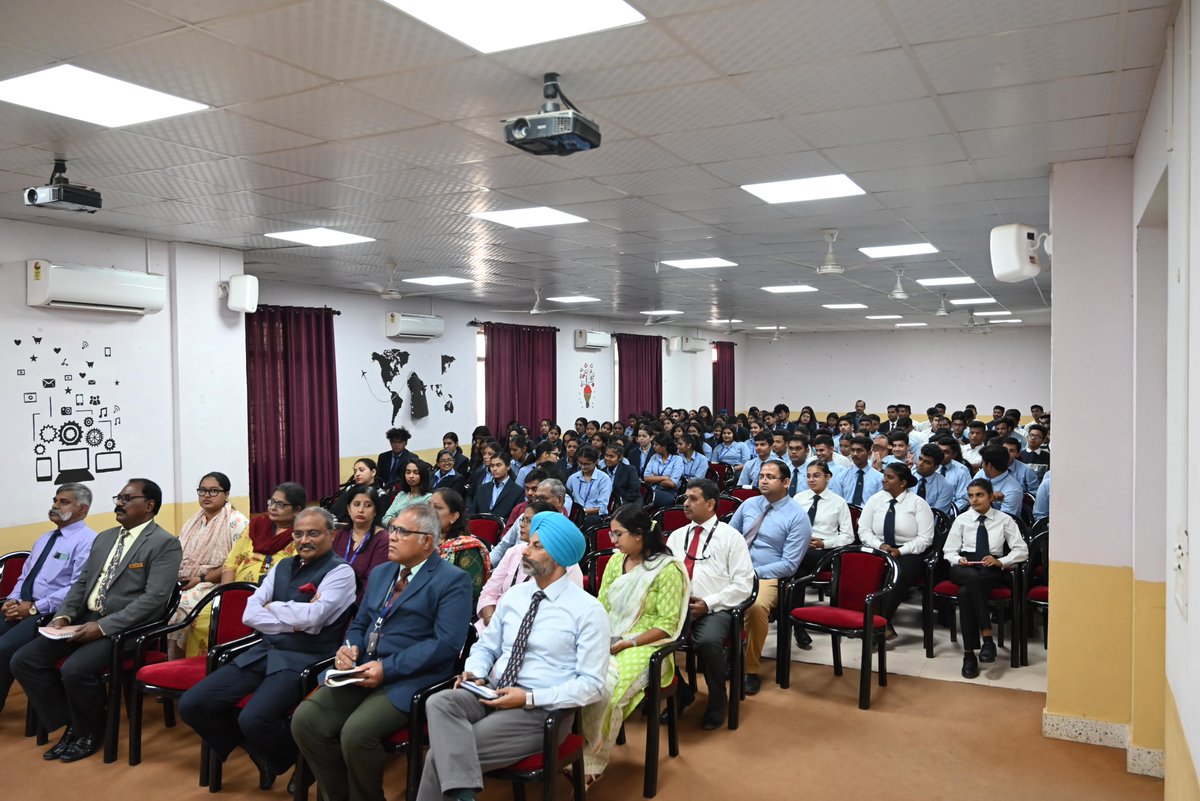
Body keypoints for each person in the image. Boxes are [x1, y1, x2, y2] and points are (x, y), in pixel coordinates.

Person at [415, 512, 609, 801]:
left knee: (438, 758)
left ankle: (461, 793)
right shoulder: (515, 596)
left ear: (557, 556)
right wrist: (475, 670)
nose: (525, 551)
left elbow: (592, 685)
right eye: (529, 543)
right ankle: (461, 790)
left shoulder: (587, 611)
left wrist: (528, 698)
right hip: (490, 691)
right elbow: (486, 646)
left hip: (540, 708)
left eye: (537, 546)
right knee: (439, 701)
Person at [291, 505, 473, 801]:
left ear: (427, 540)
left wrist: (388, 669)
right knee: (306, 720)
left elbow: (446, 645)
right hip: (362, 668)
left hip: (411, 676)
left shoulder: (452, 580)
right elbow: (360, 622)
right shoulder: (381, 573)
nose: (392, 537)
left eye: (402, 531)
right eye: (392, 529)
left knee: (357, 733)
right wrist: (350, 648)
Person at [179, 507, 355, 789]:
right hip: (264, 650)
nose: (304, 540)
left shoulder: (341, 572)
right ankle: (267, 755)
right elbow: (250, 614)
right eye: (298, 533)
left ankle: (303, 759)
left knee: (255, 718)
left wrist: (274, 610)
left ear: (331, 534)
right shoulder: (283, 566)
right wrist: (292, 617)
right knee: (193, 704)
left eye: (313, 533)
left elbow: (315, 619)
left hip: (304, 658)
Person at [12, 478, 182, 762]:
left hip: (124, 629)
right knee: (24, 660)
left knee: (75, 670)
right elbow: (81, 584)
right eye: (119, 497)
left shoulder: (164, 544)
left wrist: (103, 627)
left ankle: (89, 732)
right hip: (83, 619)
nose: (119, 502)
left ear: (149, 506)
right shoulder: (104, 538)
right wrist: (64, 616)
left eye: (128, 498)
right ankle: (74, 724)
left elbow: (154, 601)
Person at [582, 505, 688, 784]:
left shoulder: (667, 569)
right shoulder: (617, 562)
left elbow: (666, 625)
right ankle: (568, 749)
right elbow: (602, 607)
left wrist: (627, 642)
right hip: (611, 637)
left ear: (639, 534)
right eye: (611, 533)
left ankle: (591, 762)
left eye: (618, 534)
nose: (612, 540)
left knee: (606, 687)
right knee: (576, 676)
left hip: (649, 647)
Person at [665, 479, 753, 729]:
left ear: (711, 504)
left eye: (693, 499)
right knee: (652, 639)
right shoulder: (676, 536)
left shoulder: (731, 537)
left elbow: (743, 585)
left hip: (718, 609)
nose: (686, 503)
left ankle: (717, 700)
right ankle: (681, 692)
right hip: (678, 607)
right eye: (685, 498)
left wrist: (708, 603)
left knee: (707, 641)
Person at [0, 483, 96, 713]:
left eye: (63, 502)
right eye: (55, 500)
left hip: (51, 613)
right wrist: (12, 600)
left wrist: (34, 607)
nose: (55, 506)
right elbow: (25, 576)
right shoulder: (45, 538)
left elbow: (76, 588)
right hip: (22, 606)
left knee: (4, 648)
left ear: (82, 510)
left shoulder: (88, 541)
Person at [186, 483, 303, 657]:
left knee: (245, 626)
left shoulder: (301, 534)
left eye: (281, 505)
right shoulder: (256, 526)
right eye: (271, 502)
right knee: (202, 620)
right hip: (236, 592)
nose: (273, 507)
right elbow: (231, 563)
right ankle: (203, 669)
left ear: (296, 510)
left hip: (270, 598)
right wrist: (226, 595)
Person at [727, 461, 810, 694]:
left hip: (767, 575)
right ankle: (722, 655)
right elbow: (730, 538)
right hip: (735, 570)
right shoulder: (748, 505)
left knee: (756, 607)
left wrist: (753, 573)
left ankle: (749, 669)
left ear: (786, 482)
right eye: (761, 476)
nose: (763, 480)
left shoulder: (797, 516)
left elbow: (790, 565)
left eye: (770, 477)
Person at [942, 479, 1028, 678]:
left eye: (979, 495)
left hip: (990, 566)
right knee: (971, 579)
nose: (974, 500)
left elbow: (1022, 550)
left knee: (966, 592)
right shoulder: (962, 519)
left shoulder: (1004, 519)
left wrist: (1002, 561)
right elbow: (949, 550)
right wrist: (958, 559)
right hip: (964, 566)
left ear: (991, 496)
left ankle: (969, 654)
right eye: (971, 496)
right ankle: (987, 639)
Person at [168, 472, 250, 657]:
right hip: (188, 580)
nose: (206, 495)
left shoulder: (237, 521)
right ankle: (166, 658)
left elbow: (237, 562)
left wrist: (201, 578)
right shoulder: (194, 520)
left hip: (215, 583)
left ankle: (179, 660)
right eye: (203, 491)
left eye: (213, 491)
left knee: (179, 608)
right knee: (163, 601)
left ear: (226, 494)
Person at [476, 502, 584, 633]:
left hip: (538, 633)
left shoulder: (566, 563)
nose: (521, 524)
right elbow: (489, 593)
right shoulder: (514, 552)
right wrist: (491, 621)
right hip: (493, 626)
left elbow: (566, 613)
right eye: (523, 519)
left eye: (529, 521)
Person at [857, 464, 935, 639]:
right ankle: (873, 623)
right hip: (879, 548)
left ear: (903, 482)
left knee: (898, 573)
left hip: (908, 552)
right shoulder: (875, 500)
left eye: (890, 477)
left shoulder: (918, 504)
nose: (884, 480)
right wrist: (879, 545)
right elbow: (863, 530)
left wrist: (901, 551)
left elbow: (926, 538)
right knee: (860, 568)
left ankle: (879, 623)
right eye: (884, 476)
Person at [332, 485, 392, 603]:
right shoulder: (340, 535)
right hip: (332, 595)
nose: (360, 510)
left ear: (375, 511)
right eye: (356, 504)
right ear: (349, 509)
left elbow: (375, 583)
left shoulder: (383, 540)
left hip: (361, 601)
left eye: (368, 505)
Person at [432, 489, 492, 603]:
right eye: (428, 505)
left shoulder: (468, 548)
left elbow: (470, 591)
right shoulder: (421, 541)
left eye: (437, 508)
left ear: (454, 516)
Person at [566, 445, 612, 528]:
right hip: (575, 513)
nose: (583, 466)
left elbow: (602, 507)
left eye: (587, 464)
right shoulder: (573, 478)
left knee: (586, 521)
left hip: (594, 515)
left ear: (596, 462)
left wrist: (583, 511)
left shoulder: (604, 479)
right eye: (580, 463)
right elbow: (566, 496)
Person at [831, 435, 883, 506]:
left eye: (859, 450)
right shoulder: (841, 477)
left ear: (869, 453)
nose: (855, 454)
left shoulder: (879, 478)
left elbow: (879, 504)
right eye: (852, 450)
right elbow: (837, 504)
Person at [467, 455, 522, 521]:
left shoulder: (518, 491)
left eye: (498, 465)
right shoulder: (482, 488)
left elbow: (516, 519)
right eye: (492, 466)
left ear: (508, 466)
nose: (494, 469)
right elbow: (472, 512)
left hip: (504, 529)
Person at [328, 459, 380, 524]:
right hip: (337, 525)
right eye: (355, 471)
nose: (357, 474)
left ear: (373, 472)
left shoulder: (380, 494)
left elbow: (377, 522)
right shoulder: (350, 488)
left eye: (361, 470)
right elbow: (335, 510)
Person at [382, 460, 434, 526]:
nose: (411, 476)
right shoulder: (401, 495)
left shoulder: (429, 497)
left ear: (423, 475)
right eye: (408, 472)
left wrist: (396, 520)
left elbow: (420, 523)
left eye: (416, 473)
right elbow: (385, 519)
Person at [643, 432, 684, 508]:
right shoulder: (654, 457)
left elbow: (672, 483)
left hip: (669, 492)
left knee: (646, 496)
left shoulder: (677, 459)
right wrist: (664, 477)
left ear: (664, 446)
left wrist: (654, 478)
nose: (653, 447)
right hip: (652, 489)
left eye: (656, 445)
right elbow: (646, 477)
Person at [912, 444, 956, 515]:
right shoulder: (907, 477)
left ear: (936, 467)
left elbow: (936, 515)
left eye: (927, 462)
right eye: (920, 459)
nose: (920, 464)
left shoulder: (945, 487)